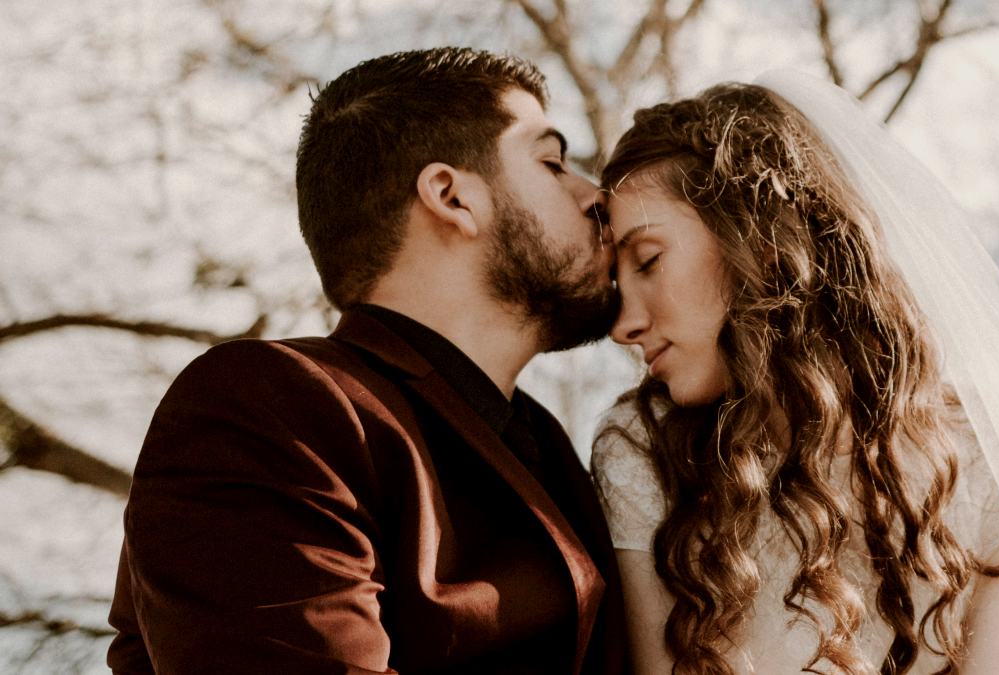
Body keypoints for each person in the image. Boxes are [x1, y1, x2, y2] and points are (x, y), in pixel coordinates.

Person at [591, 73, 999, 674]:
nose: (623, 323)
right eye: (618, 282)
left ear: (760, 240)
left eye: (648, 260)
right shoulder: (644, 451)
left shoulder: (983, 459)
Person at [107, 47, 628, 674]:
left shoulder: (558, 448)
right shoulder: (270, 406)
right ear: (451, 196)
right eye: (551, 163)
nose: (595, 195)